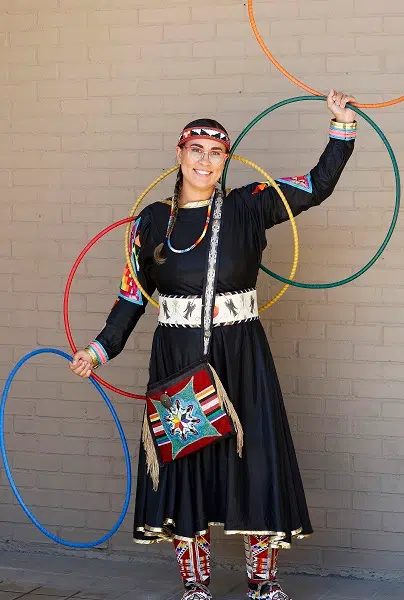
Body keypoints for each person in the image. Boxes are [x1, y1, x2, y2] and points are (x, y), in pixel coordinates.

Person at [70, 89, 357, 600]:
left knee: (256, 458)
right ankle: (195, 583)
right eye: (195, 149)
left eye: (215, 151)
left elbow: (315, 186)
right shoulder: (151, 222)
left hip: (241, 354)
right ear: (179, 155)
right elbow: (132, 297)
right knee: (186, 461)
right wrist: (98, 350)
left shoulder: (250, 206)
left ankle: (263, 579)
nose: (204, 160)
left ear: (227, 160)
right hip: (179, 357)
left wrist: (340, 127)